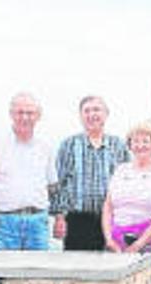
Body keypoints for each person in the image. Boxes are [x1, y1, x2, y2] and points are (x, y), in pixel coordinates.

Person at [53, 96, 130, 251]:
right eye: (86, 111)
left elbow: (127, 182)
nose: (91, 114)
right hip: (77, 219)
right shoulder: (69, 144)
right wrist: (59, 217)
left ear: (106, 114)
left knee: (110, 269)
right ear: (80, 116)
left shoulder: (118, 145)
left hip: (111, 219)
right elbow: (58, 183)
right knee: (77, 270)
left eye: (96, 110)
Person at [0, 92, 57, 251]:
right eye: (20, 112)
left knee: (38, 273)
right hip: (3, 223)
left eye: (30, 113)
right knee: (4, 272)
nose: (25, 117)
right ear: (11, 114)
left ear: (38, 116)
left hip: (37, 222)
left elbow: (51, 184)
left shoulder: (45, 147)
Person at [101, 124, 151, 270]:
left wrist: (138, 245)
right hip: (117, 244)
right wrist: (109, 239)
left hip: (150, 242)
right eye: (136, 141)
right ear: (130, 145)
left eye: (145, 141)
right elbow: (108, 207)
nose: (140, 145)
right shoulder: (120, 171)